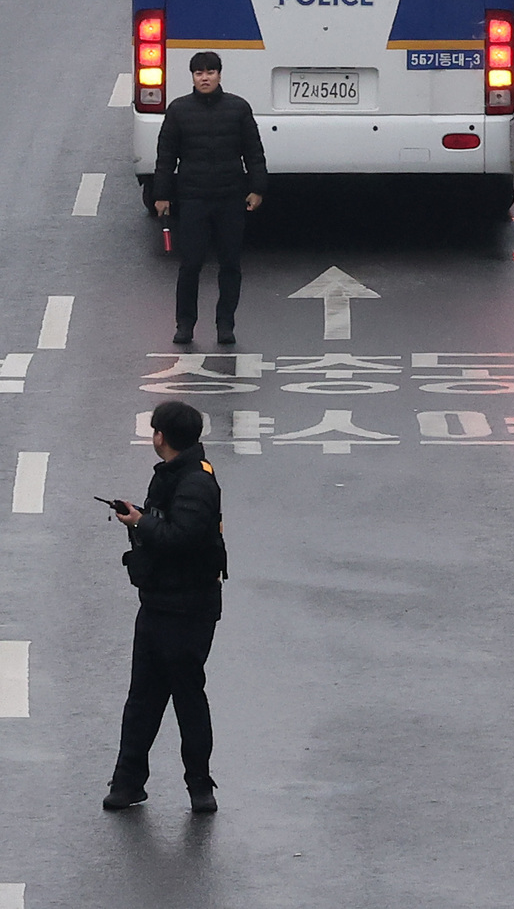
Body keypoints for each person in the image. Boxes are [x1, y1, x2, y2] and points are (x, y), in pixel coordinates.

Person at [103, 401, 227, 815]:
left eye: (154, 430)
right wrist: (140, 518)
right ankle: (127, 783)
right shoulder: (175, 475)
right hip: (158, 602)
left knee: (187, 696)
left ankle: (199, 786)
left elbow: (182, 537)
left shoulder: (196, 482)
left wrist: (139, 522)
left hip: (188, 609)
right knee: (143, 697)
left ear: (162, 436)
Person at [152, 52, 267, 348]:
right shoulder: (178, 111)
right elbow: (166, 157)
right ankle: (185, 324)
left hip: (230, 198)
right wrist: (162, 195)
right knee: (190, 264)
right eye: (199, 73)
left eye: (210, 72)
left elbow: (253, 153)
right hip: (192, 198)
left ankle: (225, 324)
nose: (205, 78)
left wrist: (257, 188)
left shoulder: (238, 109)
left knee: (230, 264)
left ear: (219, 75)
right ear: (191, 77)